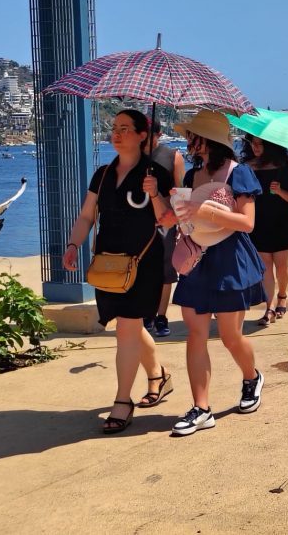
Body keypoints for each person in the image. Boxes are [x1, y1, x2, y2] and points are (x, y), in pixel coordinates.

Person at [62, 109, 175, 434]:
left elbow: (168, 219)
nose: (117, 133)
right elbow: (87, 215)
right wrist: (73, 244)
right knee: (130, 326)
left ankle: (122, 401)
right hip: (109, 263)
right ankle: (158, 376)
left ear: (142, 135)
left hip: (142, 263)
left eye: (125, 128)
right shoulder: (103, 174)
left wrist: (154, 193)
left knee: (127, 327)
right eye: (114, 127)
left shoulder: (156, 174)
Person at [168, 111, 267, 435]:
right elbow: (186, 221)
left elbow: (247, 223)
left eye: (192, 136)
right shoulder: (190, 176)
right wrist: (171, 209)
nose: (188, 141)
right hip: (197, 259)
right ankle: (201, 408)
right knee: (195, 334)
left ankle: (252, 377)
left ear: (208, 139)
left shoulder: (239, 173)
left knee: (229, 336)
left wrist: (205, 210)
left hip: (230, 260)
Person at [242, 135, 288, 324]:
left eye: (260, 144)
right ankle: (270, 308)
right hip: (258, 222)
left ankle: (282, 296)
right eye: (252, 143)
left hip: (281, 220)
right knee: (265, 267)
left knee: (281, 265)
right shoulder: (246, 167)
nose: (255, 147)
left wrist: (280, 191)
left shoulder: (282, 166)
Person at [144, 117, 187, 337]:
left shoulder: (173, 157)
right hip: (139, 222)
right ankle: (146, 313)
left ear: (158, 135)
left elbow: (180, 192)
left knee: (165, 271)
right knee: (142, 269)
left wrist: (180, 221)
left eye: (148, 134)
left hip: (165, 221)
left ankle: (161, 316)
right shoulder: (131, 156)